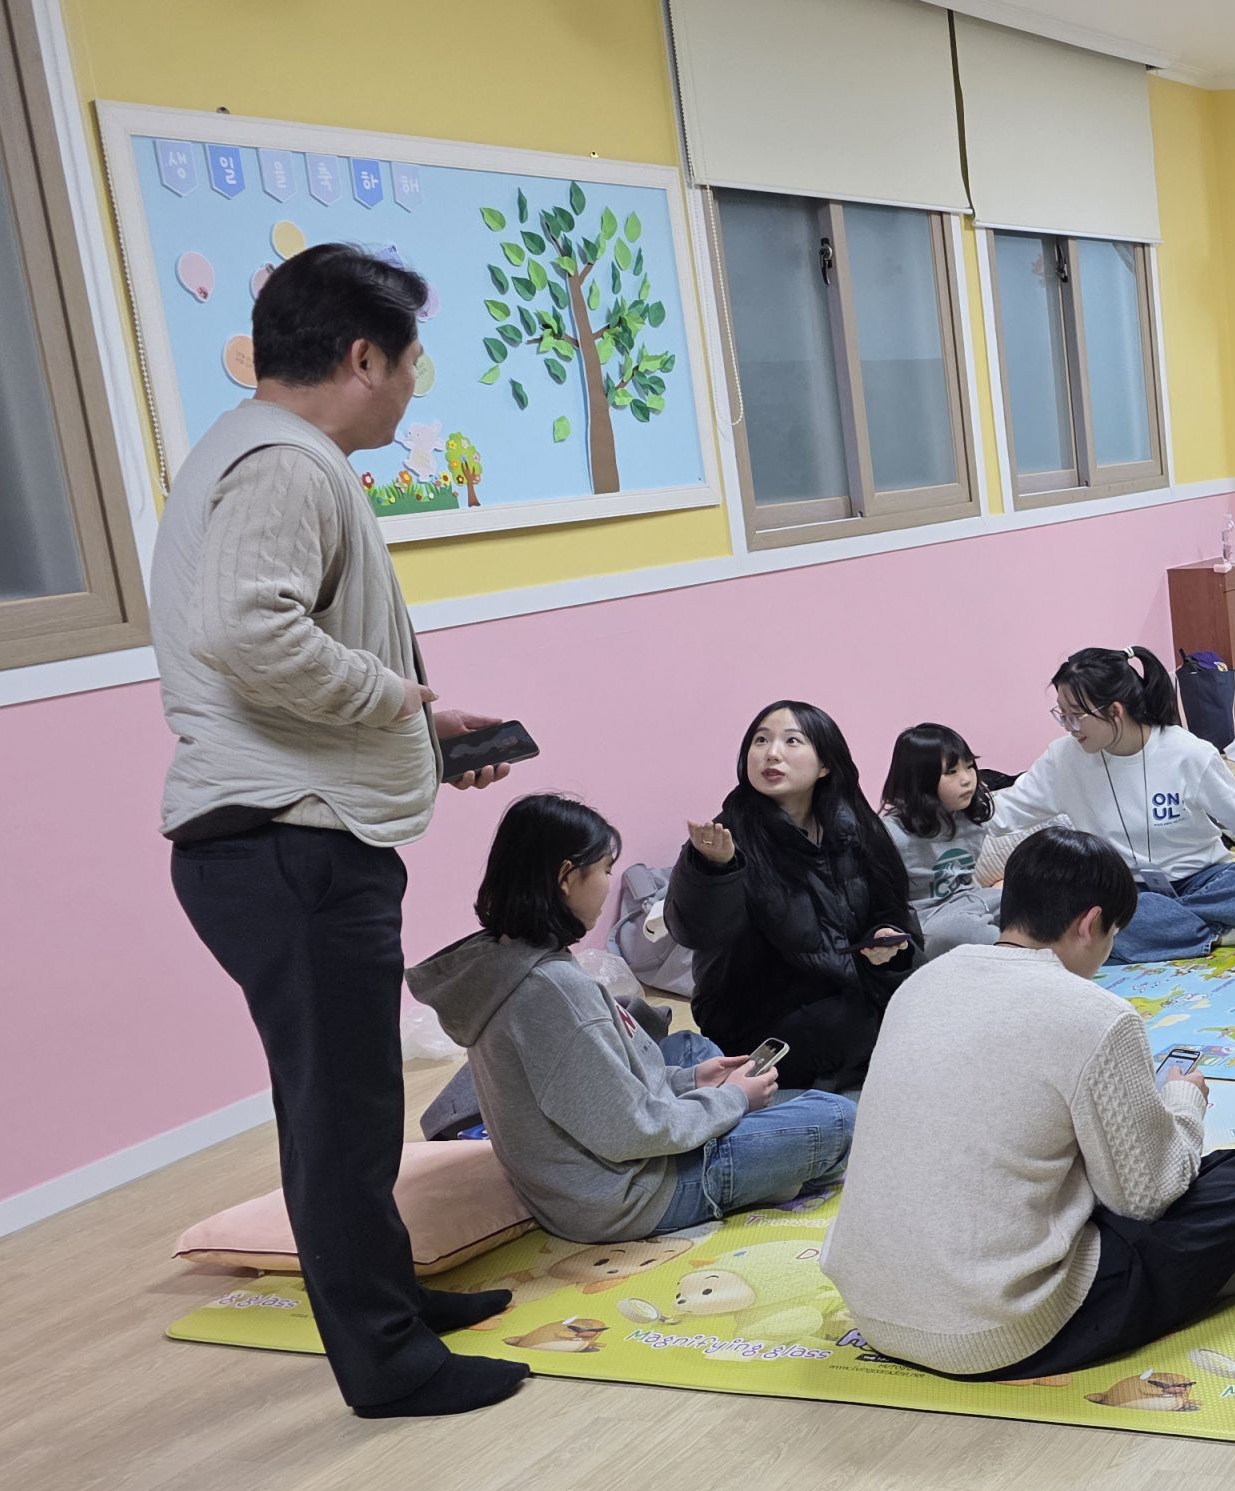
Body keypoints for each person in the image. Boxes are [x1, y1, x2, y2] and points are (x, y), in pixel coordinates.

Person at [152, 244, 525, 1418]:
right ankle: (388, 1360)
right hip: (287, 842)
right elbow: (249, 634)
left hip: (288, 830)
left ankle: (391, 1302)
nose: (413, 388)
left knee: (345, 1107)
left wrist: (422, 728)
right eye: (411, 364)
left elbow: (279, 644)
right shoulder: (285, 465)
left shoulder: (254, 449)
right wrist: (393, 700)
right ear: (364, 357)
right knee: (341, 1115)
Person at [826, 828, 1235, 1378]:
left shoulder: (922, 983)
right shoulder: (1096, 1013)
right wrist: (1185, 1101)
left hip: (873, 1309)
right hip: (999, 1327)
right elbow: (1146, 1196)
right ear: (1090, 924)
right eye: (1113, 934)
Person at [410, 795, 856, 1242]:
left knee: (694, 1051)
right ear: (566, 877)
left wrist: (691, 1081)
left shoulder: (505, 957)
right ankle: (758, 1163)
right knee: (839, 1116)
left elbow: (603, 1089)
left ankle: (754, 1145)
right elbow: (634, 1130)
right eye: (605, 870)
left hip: (577, 1176)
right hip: (627, 1196)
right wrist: (732, 1101)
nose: (609, 885)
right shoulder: (554, 993)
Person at [990, 647, 1235, 962]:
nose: (1068, 726)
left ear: (1115, 711)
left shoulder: (1188, 753)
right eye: (1061, 714)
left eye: (1076, 715)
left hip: (1205, 881)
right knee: (1083, 916)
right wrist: (960, 801)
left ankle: (1172, 928)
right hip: (1126, 893)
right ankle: (1223, 932)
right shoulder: (1063, 758)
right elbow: (1005, 813)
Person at [669, 702, 916, 1091]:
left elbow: (894, 908)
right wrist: (714, 870)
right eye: (760, 740)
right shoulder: (727, 838)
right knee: (859, 1026)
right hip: (757, 1017)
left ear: (825, 765)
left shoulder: (855, 825)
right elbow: (696, 932)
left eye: (791, 741)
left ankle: (851, 1072)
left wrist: (887, 940)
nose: (771, 753)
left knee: (930, 992)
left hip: (848, 991)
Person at [879, 723, 1002, 961]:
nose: (967, 779)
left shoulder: (973, 818)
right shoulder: (893, 834)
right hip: (930, 919)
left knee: (1032, 907)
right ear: (920, 780)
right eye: (951, 772)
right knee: (966, 932)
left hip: (975, 901)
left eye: (969, 766)